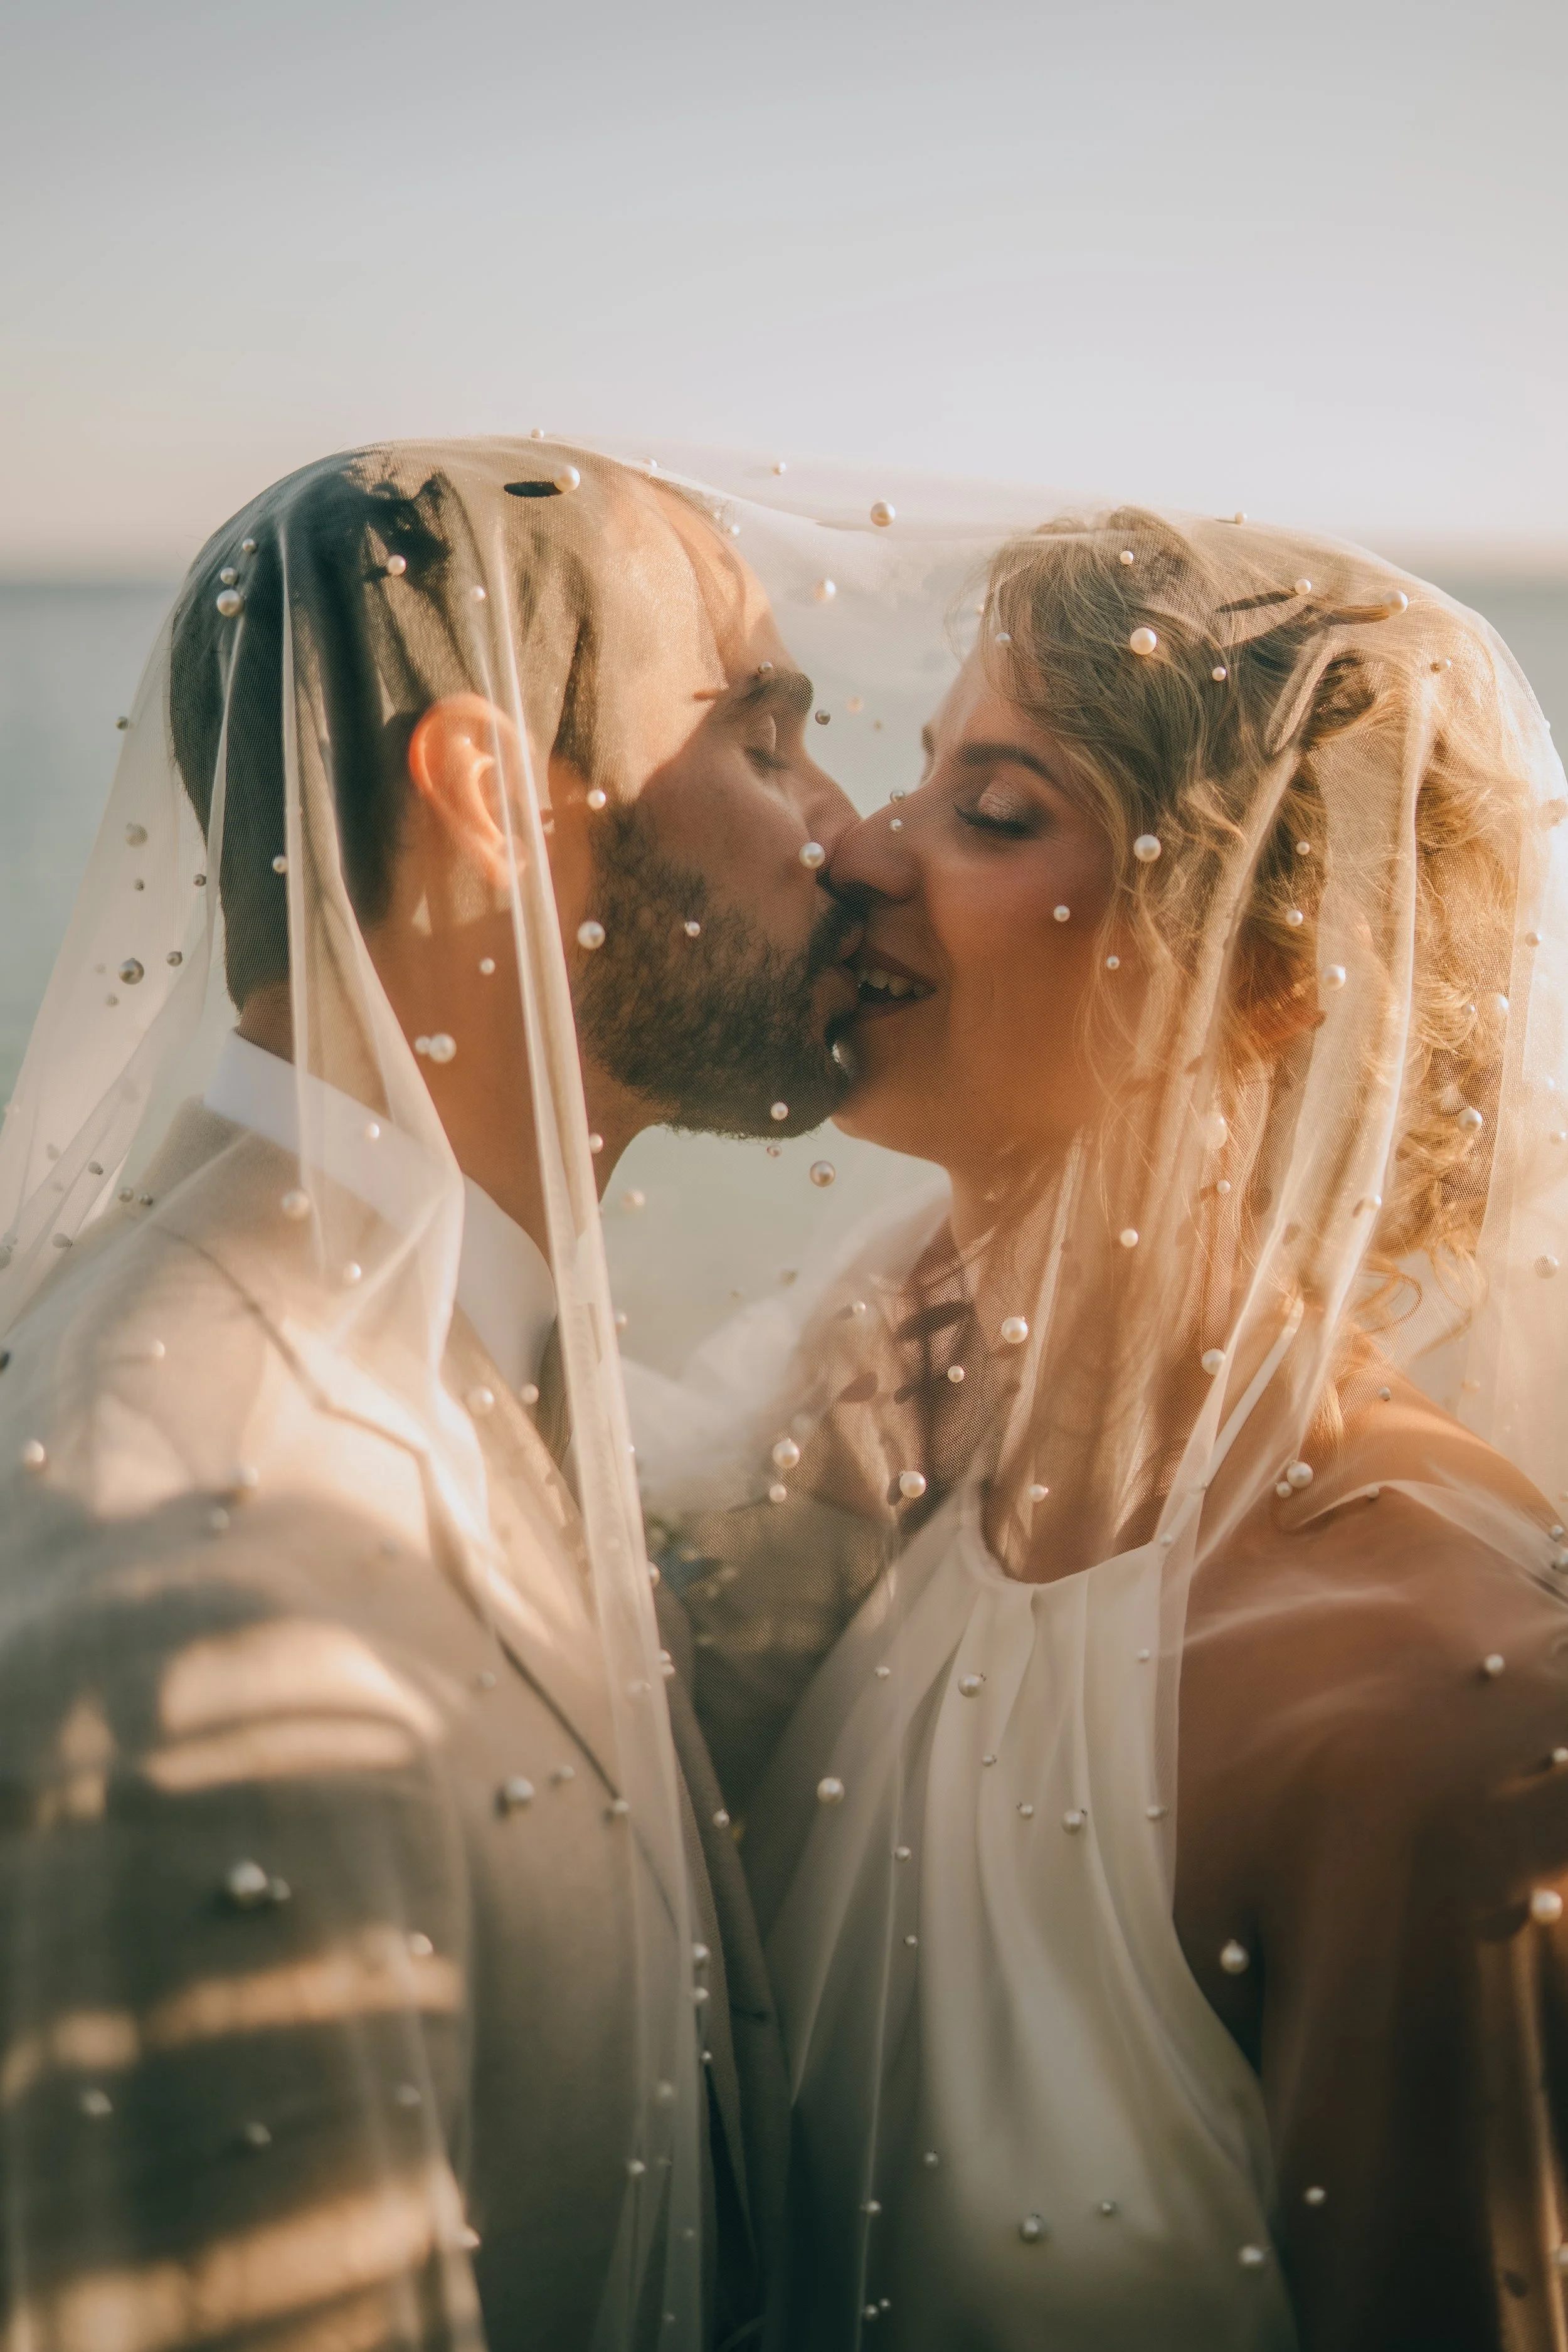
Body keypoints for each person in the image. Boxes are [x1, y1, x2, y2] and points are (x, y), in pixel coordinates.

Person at [662, 509, 1568, 2349]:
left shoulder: (1412, 1696)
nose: (857, 852)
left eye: (995, 811)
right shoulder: (871, 1412)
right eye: (912, 772)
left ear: (1267, 973)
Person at [0, 438, 859, 2351]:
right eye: (765, 737)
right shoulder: (204, 1548)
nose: (846, 827)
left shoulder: (451, 1344)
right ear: (487, 792)